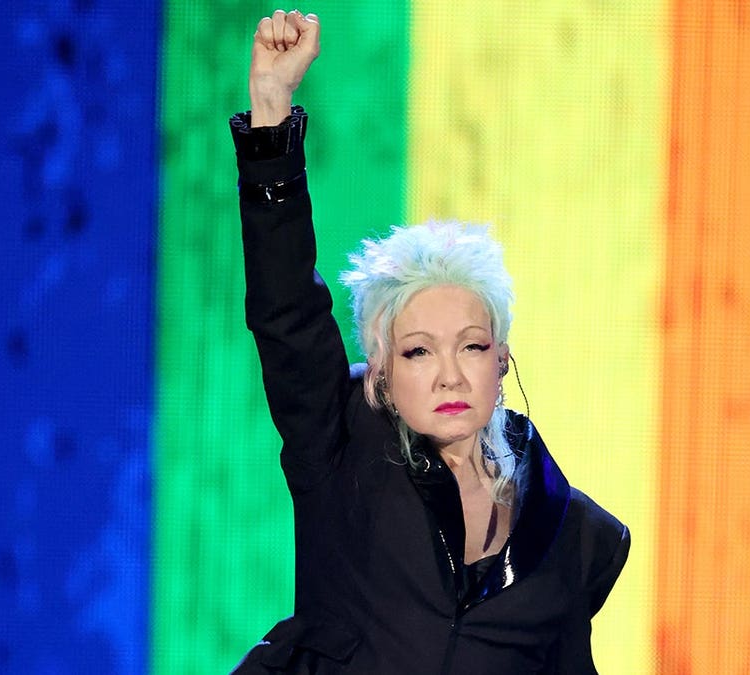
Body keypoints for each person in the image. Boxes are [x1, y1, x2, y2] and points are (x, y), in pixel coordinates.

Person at [229, 10, 630, 674]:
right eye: (419, 350)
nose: (449, 374)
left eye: (470, 346)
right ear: (382, 373)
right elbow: (287, 315)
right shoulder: (340, 447)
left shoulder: (571, 537)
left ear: (501, 360)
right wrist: (272, 113)